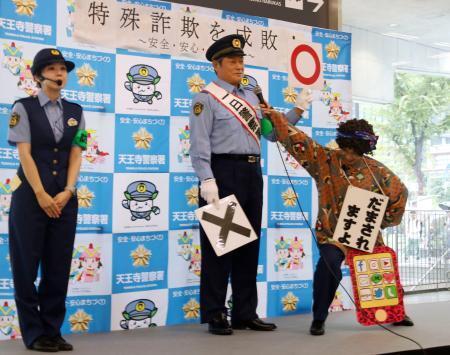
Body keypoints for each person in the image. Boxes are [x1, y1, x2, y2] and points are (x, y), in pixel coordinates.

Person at [189, 34, 311, 335]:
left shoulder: (252, 95)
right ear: (216, 66)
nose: (239, 66)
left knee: (248, 246)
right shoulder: (206, 98)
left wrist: (298, 110)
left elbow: (271, 133)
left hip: (252, 172)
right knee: (222, 248)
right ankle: (216, 314)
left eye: (241, 61)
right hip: (223, 172)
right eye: (232, 61)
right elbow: (199, 144)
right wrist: (207, 178)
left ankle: (245, 312)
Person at [266, 113, 414, 335]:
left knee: (379, 267)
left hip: (365, 232)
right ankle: (319, 318)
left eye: (355, 152)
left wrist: (382, 222)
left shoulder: (378, 171)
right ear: (342, 145)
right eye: (346, 150)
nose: (350, 156)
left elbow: (400, 194)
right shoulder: (323, 159)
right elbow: (296, 139)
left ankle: (394, 312)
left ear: (362, 149)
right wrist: (273, 114)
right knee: (328, 264)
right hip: (332, 233)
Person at [7, 48, 86, 351]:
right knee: (26, 267)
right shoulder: (22, 107)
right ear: (39, 76)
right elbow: (24, 154)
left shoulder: (76, 111)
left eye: (63, 69)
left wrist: (68, 191)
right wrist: (41, 194)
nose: (59, 74)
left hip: (65, 200)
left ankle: (53, 330)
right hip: (30, 198)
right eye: (52, 69)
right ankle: (34, 334)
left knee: (58, 266)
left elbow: (77, 153)